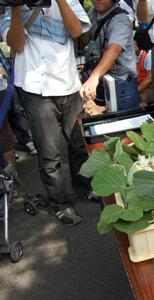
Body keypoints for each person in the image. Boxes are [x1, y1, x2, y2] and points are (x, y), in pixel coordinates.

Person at [0, 1, 91, 225]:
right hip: (34, 87)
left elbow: (76, 31)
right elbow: (16, 45)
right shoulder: (13, 8)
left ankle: (84, 187)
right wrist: (15, 7)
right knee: (49, 152)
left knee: (78, 143)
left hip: (68, 83)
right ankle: (60, 203)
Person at [80, 0, 138, 113]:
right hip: (100, 82)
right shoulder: (92, 13)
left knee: (120, 120)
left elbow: (114, 49)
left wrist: (94, 76)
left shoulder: (120, 20)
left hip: (120, 84)